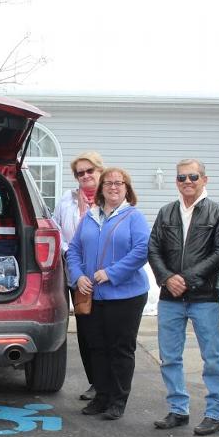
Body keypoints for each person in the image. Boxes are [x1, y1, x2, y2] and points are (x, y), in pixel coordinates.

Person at [148, 159, 219, 436]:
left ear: (204, 179)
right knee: (170, 357)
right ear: (176, 181)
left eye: (193, 177)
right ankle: (177, 408)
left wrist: (186, 279)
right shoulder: (166, 213)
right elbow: (153, 250)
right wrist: (166, 278)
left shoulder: (218, 214)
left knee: (212, 357)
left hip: (204, 297)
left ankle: (215, 413)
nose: (187, 181)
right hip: (170, 298)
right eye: (182, 177)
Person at [66, 167, 150, 420]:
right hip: (93, 295)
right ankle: (101, 397)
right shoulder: (89, 217)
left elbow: (142, 250)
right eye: (109, 183)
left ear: (127, 188)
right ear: (101, 188)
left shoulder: (134, 217)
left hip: (126, 296)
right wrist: (79, 275)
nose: (114, 187)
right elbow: (74, 250)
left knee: (120, 349)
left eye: (119, 183)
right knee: (97, 348)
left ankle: (117, 400)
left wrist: (112, 273)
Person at [52, 150, 104, 402]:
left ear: (100, 171)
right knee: (86, 331)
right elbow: (56, 230)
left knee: (108, 332)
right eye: (79, 173)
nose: (84, 176)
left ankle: (110, 385)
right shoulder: (67, 200)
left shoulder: (111, 199)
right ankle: (95, 383)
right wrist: (68, 252)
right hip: (76, 275)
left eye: (89, 171)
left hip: (106, 277)